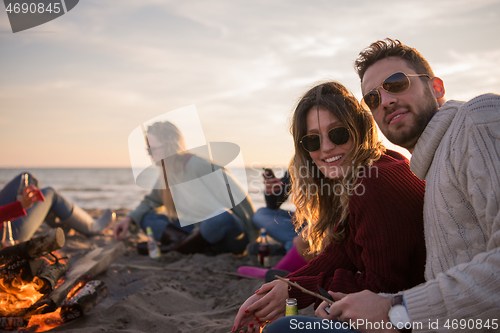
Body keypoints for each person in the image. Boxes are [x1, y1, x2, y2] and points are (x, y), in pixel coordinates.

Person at [270, 38, 500, 333]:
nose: (386, 101)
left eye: (396, 83)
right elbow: (350, 251)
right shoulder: (424, 169)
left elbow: (394, 286)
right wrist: (291, 287)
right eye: (373, 99)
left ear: (437, 87)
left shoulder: (477, 119)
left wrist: (396, 309)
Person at [232, 81, 427, 332]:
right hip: (401, 311)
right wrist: (285, 286)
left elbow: (383, 288)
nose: (325, 148)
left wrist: (306, 291)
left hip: (413, 320)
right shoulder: (373, 166)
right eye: (312, 140)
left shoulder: (372, 184)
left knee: (279, 330)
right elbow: (341, 253)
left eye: (337, 133)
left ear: (359, 128)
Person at [113, 121, 257, 255]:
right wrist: (129, 219)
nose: (150, 155)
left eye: (153, 150)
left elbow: (239, 200)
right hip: (196, 231)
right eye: (148, 150)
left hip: (228, 234)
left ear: (170, 145)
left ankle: (171, 248)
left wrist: (252, 240)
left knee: (220, 216)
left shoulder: (200, 166)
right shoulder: (166, 174)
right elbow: (151, 201)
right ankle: (192, 246)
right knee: (146, 218)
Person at [0, 172, 115, 243]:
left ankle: (63, 227)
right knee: (51, 193)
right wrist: (19, 206)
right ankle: (92, 227)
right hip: (6, 232)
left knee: (28, 178)